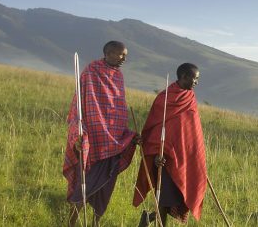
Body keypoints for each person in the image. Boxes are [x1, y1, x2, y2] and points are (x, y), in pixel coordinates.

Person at [63, 40, 138, 227]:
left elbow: (118, 109)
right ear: (108, 53)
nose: (124, 58)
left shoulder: (119, 77)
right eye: (121, 54)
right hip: (93, 140)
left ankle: (96, 222)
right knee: (84, 184)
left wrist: (128, 135)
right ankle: (72, 223)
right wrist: (79, 133)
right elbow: (80, 104)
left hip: (114, 142)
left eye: (125, 55)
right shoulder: (91, 71)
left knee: (106, 186)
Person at [133, 63, 207, 225]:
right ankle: (158, 222)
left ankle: (149, 218)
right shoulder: (164, 99)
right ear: (184, 76)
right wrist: (155, 156)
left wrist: (195, 157)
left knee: (174, 197)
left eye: (198, 79)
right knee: (164, 197)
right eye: (194, 79)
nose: (196, 82)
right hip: (163, 158)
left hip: (183, 158)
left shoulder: (190, 98)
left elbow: (191, 132)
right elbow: (153, 128)